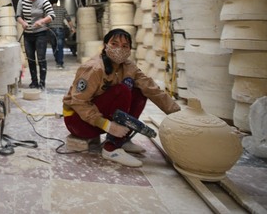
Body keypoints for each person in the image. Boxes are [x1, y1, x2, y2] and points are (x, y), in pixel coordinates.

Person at [62, 28, 180, 167]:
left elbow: (151, 88)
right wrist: (106, 125)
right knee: (122, 90)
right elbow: (78, 102)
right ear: (105, 46)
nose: (120, 49)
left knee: (140, 91)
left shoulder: (129, 67)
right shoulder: (94, 68)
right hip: (78, 122)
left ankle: (121, 138)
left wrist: (177, 114)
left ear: (130, 49)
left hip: (97, 119)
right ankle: (111, 148)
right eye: (114, 44)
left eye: (125, 46)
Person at [16, 0, 55, 89]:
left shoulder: (44, 2)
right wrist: (23, 23)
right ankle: (34, 81)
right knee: (31, 59)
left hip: (41, 34)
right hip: (28, 35)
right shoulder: (22, 1)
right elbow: (18, 16)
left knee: (41, 58)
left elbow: (52, 15)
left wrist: (42, 21)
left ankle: (42, 83)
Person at [47, 0, 75, 69]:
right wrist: (72, 28)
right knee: (60, 46)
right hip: (60, 29)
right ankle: (60, 63)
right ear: (57, 1)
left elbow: (45, 20)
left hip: (51, 30)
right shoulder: (62, 8)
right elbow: (68, 19)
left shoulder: (48, 10)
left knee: (54, 46)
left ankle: (57, 60)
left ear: (50, 2)